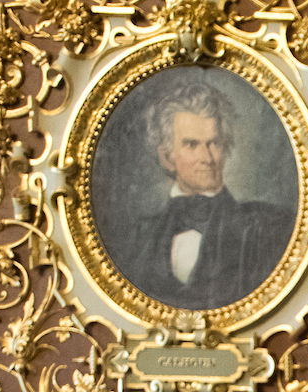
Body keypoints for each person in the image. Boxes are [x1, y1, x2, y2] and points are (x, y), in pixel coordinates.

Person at [122, 80, 288, 311]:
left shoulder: (265, 229)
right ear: (167, 157)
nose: (207, 158)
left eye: (214, 143)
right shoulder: (140, 237)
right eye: (192, 145)